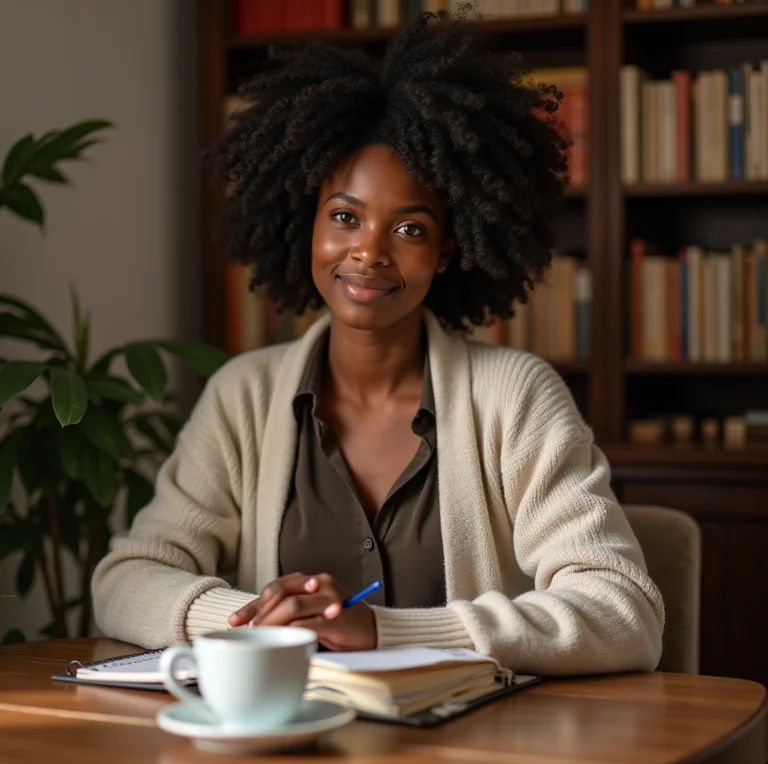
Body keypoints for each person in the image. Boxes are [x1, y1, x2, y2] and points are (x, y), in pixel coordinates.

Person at [91, 10, 664, 676]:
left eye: (411, 230)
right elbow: (125, 578)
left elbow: (627, 613)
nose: (368, 253)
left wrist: (384, 632)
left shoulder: (516, 397)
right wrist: (252, 623)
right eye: (344, 217)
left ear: (449, 250)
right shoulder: (243, 396)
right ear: (306, 223)